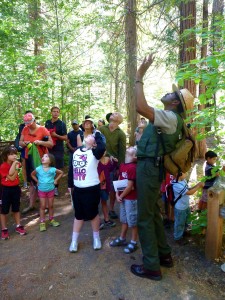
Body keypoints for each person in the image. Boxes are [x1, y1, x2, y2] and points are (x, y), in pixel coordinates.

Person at [131, 53, 195, 281]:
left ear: (175, 102)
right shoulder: (170, 118)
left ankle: (151, 266)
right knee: (153, 215)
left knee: (145, 217)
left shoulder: (170, 117)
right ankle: (164, 256)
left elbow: (140, 106)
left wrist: (139, 76)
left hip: (149, 170)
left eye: (171, 93)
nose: (167, 93)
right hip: (151, 168)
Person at [68, 132, 105, 252]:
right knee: (78, 216)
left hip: (91, 188)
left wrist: (98, 135)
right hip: (78, 189)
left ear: (95, 143)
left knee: (93, 214)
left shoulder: (95, 153)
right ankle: (74, 241)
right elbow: (71, 169)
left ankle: (96, 238)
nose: (90, 135)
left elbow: (102, 147)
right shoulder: (77, 151)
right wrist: (70, 185)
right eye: (88, 135)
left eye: (92, 136)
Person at [19, 113, 53, 214]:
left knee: (43, 182)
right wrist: (24, 143)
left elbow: (50, 144)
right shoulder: (25, 129)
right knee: (32, 182)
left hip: (42, 159)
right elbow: (20, 142)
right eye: (26, 124)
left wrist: (41, 142)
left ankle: (46, 206)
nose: (28, 126)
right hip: (29, 158)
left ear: (34, 120)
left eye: (30, 124)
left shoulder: (42, 129)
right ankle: (31, 205)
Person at [110, 147, 138, 254]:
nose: (126, 154)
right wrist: (117, 193)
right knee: (124, 219)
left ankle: (134, 242)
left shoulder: (133, 168)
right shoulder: (123, 165)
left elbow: (130, 186)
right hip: (123, 197)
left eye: (129, 153)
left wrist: (121, 196)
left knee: (132, 221)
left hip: (131, 199)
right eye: (126, 152)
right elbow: (120, 180)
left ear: (135, 157)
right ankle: (122, 238)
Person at [99, 112, 126, 219]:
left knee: (112, 187)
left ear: (119, 120)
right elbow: (97, 144)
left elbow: (122, 152)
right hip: (100, 162)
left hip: (113, 165)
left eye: (116, 114)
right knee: (99, 185)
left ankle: (111, 209)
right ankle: (100, 207)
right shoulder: (102, 129)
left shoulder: (121, 134)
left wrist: (120, 167)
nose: (113, 114)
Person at [31, 153, 63, 232]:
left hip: (51, 190)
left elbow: (61, 173)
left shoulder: (52, 169)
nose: (43, 157)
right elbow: (32, 174)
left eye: (46, 156)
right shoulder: (38, 169)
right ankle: (42, 222)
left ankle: (51, 220)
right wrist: (37, 181)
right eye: (43, 156)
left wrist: (56, 180)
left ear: (50, 161)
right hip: (41, 190)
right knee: (42, 206)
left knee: (51, 206)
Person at [0, 145, 27, 240]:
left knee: (16, 208)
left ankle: (18, 225)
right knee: (4, 210)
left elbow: (13, 176)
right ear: (6, 156)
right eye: (11, 154)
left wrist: (15, 165)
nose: (14, 156)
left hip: (15, 189)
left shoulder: (16, 164)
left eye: (15, 154)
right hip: (5, 190)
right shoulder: (3, 166)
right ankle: (4, 229)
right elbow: (11, 176)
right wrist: (15, 164)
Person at [173, 172, 204, 244]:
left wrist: (197, 185)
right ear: (179, 175)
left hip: (185, 206)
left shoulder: (182, 181)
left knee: (186, 220)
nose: (186, 173)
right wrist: (198, 186)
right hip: (180, 208)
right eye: (184, 172)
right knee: (179, 223)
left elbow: (188, 189)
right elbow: (189, 192)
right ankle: (178, 237)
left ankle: (183, 232)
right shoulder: (176, 185)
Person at [45, 106, 67, 196]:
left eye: (57, 111)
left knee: (57, 169)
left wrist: (56, 135)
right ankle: (48, 188)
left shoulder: (62, 124)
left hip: (58, 149)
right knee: (48, 168)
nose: (55, 113)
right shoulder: (47, 123)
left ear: (59, 113)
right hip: (48, 149)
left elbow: (65, 138)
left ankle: (56, 188)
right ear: (51, 112)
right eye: (54, 111)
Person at [98, 151, 117, 229]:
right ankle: (97, 222)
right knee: (95, 204)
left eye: (103, 150)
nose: (102, 152)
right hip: (96, 185)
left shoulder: (108, 159)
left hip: (105, 186)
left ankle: (106, 219)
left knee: (104, 202)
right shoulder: (95, 160)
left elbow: (111, 169)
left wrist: (115, 162)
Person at [17, 110, 33, 189]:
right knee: (24, 165)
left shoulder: (37, 126)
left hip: (34, 148)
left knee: (33, 165)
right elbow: (21, 138)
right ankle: (25, 182)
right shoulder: (22, 126)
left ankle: (33, 181)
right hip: (24, 147)